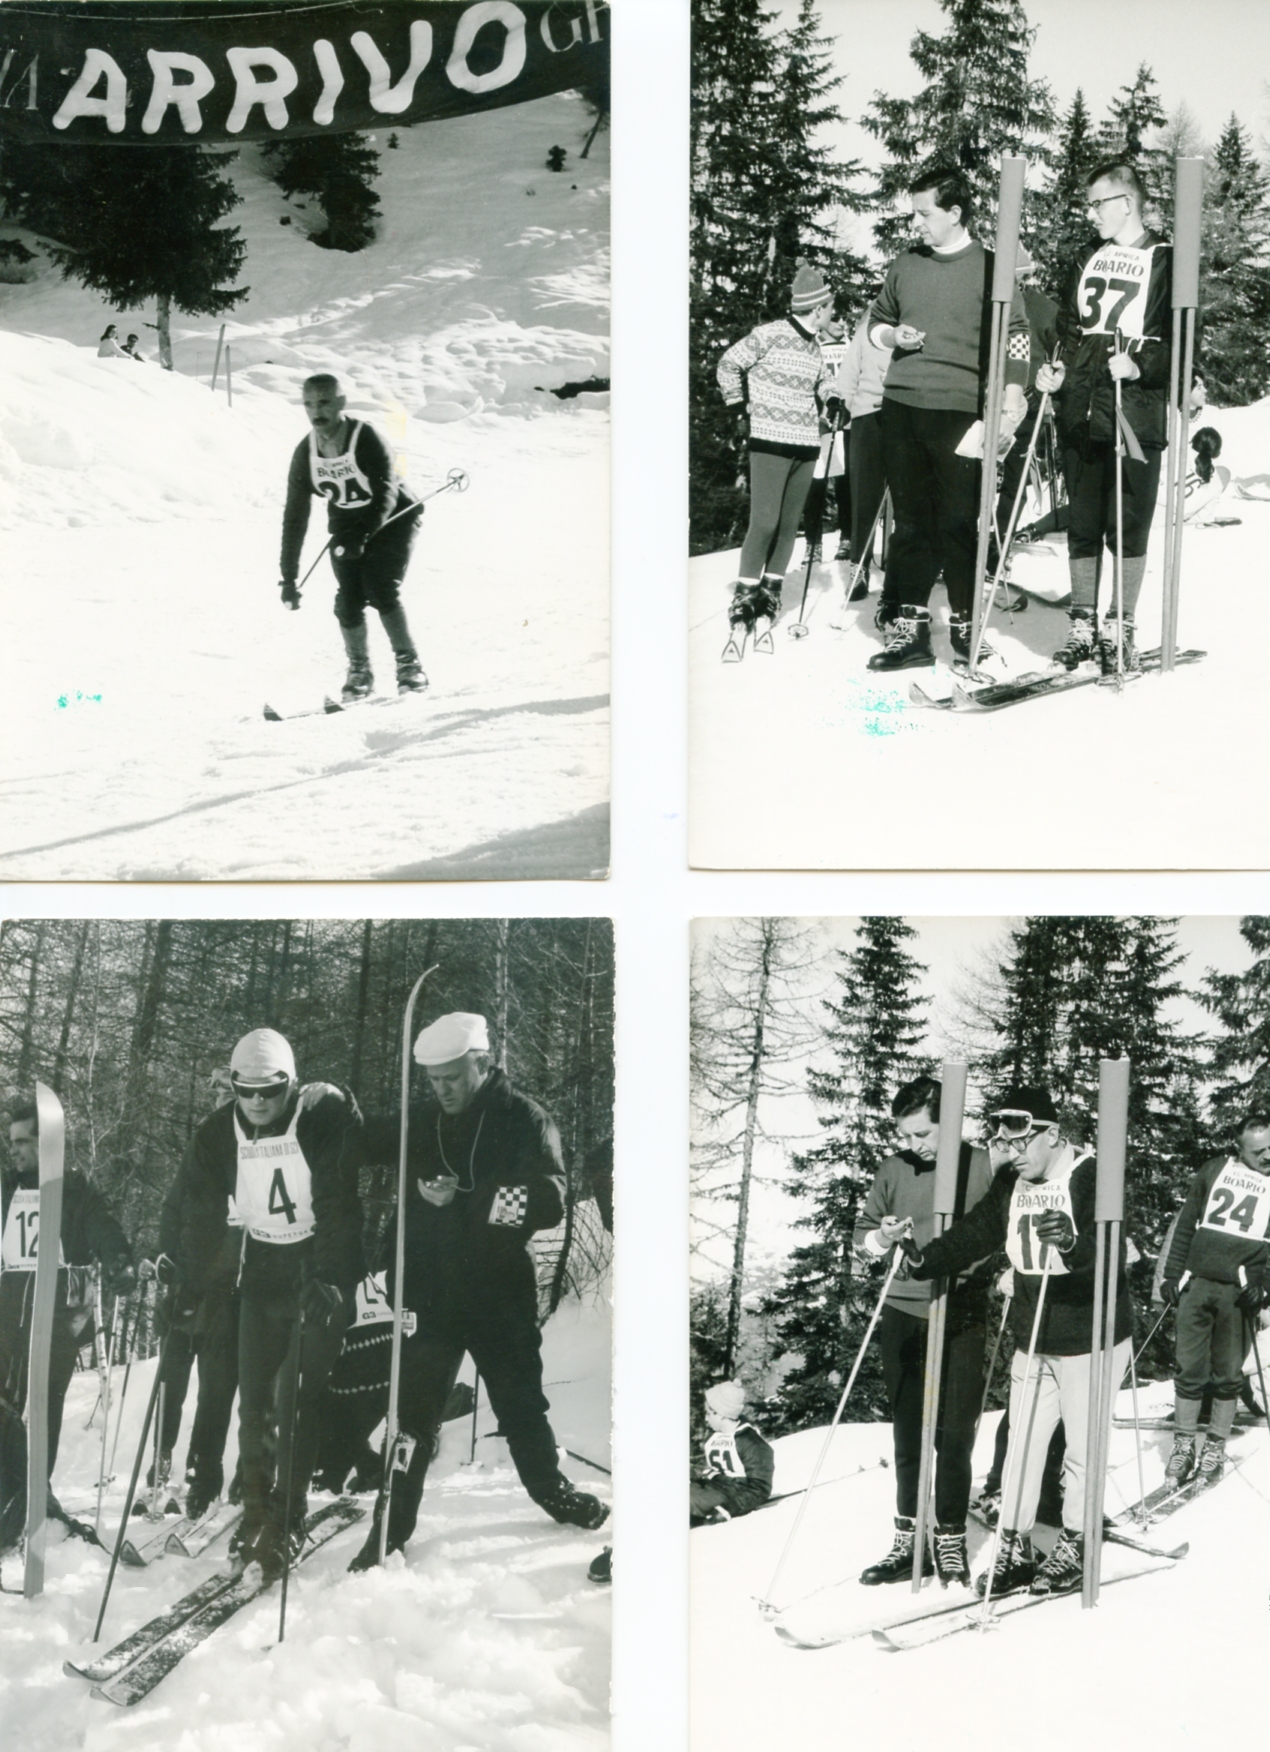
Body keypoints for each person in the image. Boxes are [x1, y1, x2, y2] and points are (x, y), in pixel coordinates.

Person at [350, 1011, 607, 1569]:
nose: (441, 1091)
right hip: (427, 1292)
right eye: (433, 1080)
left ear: (483, 1063)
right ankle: (389, 1532)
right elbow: (362, 1140)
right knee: (413, 1415)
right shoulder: (422, 1119)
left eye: (453, 1078)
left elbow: (548, 1199)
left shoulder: (523, 1118)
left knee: (520, 1404)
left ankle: (551, 1492)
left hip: (497, 1294)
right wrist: (325, 1107)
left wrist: (466, 1200)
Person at [900, 1086, 1134, 1599]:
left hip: (1089, 1339)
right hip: (1034, 1335)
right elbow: (978, 1231)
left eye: (1024, 1142)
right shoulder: (1014, 1181)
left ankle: (1075, 1541)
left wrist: (1073, 1242)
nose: (1014, 1154)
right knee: (1021, 1448)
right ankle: (1015, 1543)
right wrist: (927, 1259)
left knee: (1080, 1451)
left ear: (1052, 1134)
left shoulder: (1092, 1174)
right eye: (1006, 1144)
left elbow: (1115, 1248)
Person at [181, 1029, 365, 1581]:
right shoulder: (217, 1132)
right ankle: (257, 1510)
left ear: (291, 1083)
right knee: (254, 1402)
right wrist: (190, 1282)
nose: (258, 1102)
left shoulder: (316, 1116)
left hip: (315, 1267)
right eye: (246, 1090)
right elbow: (199, 1211)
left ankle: (288, 1516)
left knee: (296, 1400)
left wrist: (332, 1277)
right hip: (261, 1270)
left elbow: (342, 1198)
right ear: (233, 1086)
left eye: (271, 1090)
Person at [864, 166, 1029, 671]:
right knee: (912, 521)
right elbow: (876, 323)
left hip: (960, 412)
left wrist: (1012, 395)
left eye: (925, 213)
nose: (916, 223)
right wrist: (894, 337)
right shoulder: (905, 264)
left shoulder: (991, 268)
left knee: (959, 520)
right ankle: (910, 633)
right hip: (902, 406)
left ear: (955, 213)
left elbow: (1017, 332)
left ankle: (965, 630)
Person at [853, 1075, 994, 1589]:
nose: (912, 1146)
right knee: (908, 1430)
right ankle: (908, 1538)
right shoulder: (894, 1168)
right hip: (905, 1309)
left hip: (961, 1310)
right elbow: (862, 1233)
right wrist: (880, 1237)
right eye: (905, 1135)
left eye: (922, 1135)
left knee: (953, 1436)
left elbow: (997, 1227)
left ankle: (950, 1538)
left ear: (949, 1123)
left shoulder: (980, 1165)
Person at [1036, 159, 1173, 676]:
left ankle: (1121, 624)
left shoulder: (1164, 259)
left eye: (1098, 203)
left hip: (1134, 413)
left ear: (1127, 202)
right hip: (1081, 408)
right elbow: (1068, 332)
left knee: (1130, 526)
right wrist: (1055, 373)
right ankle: (1082, 625)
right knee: (1084, 524)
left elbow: (1178, 343)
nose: (1091, 213)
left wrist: (1140, 364)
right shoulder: (1086, 258)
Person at [1, 1098, 136, 1551]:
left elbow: (104, 1227)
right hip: (7, 1315)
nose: (13, 1149)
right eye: (11, 1140)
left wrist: (118, 1260)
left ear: (48, 1144)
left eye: (23, 1141)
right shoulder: (5, 1189)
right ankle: (15, 1496)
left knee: (40, 1407)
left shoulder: (75, 1190)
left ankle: (30, 1498)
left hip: (58, 1316)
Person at [279, 373, 427, 701]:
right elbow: (295, 517)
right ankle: (360, 672)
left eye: (325, 402)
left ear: (342, 403)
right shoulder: (306, 452)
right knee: (347, 598)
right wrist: (289, 576)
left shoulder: (366, 437)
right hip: (348, 524)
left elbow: (386, 492)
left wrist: (364, 533)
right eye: (309, 404)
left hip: (395, 518)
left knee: (379, 586)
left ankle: (409, 666)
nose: (317, 412)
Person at [717, 261, 837, 651]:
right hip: (769, 441)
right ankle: (745, 595)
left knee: (789, 526)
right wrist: (739, 406)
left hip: (805, 444)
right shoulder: (769, 334)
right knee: (764, 523)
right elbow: (728, 363)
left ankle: (770, 592)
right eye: (830, 307)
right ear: (817, 309)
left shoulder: (814, 345)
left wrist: (832, 398)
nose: (832, 313)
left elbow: (822, 380)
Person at [1158, 1111, 1270, 1488]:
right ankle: (1184, 1444)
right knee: (1189, 1369)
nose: (1268, 1156)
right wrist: (1172, 1274)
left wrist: (1265, 1286)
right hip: (1197, 1283)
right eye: (1259, 1151)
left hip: (1237, 1294)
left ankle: (1215, 1448)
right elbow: (1188, 1222)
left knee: (1227, 1375)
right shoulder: (1214, 1169)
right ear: (1238, 1149)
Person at [832, 301, 891, 604]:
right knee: (864, 494)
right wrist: (843, 402)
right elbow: (850, 366)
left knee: (910, 495)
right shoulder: (870, 320)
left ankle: (906, 568)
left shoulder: (918, 314)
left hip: (906, 412)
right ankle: (859, 568)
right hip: (867, 415)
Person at [800, 315, 852, 565]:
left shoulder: (852, 346)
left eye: (846, 319)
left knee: (846, 482)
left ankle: (847, 538)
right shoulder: (813, 345)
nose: (842, 324)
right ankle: (813, 543)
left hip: (848, 422)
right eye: (836, 319)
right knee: (815, 485)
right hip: (819, 423)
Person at [689, 1379, 774, 1525]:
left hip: (732, 1496)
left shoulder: (751, 1443)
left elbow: (760, 1488)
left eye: (708, 1413)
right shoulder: (714, 1435)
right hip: (711, 1488)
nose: (705, 1418)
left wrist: (728, 1509)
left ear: (720, 1414)